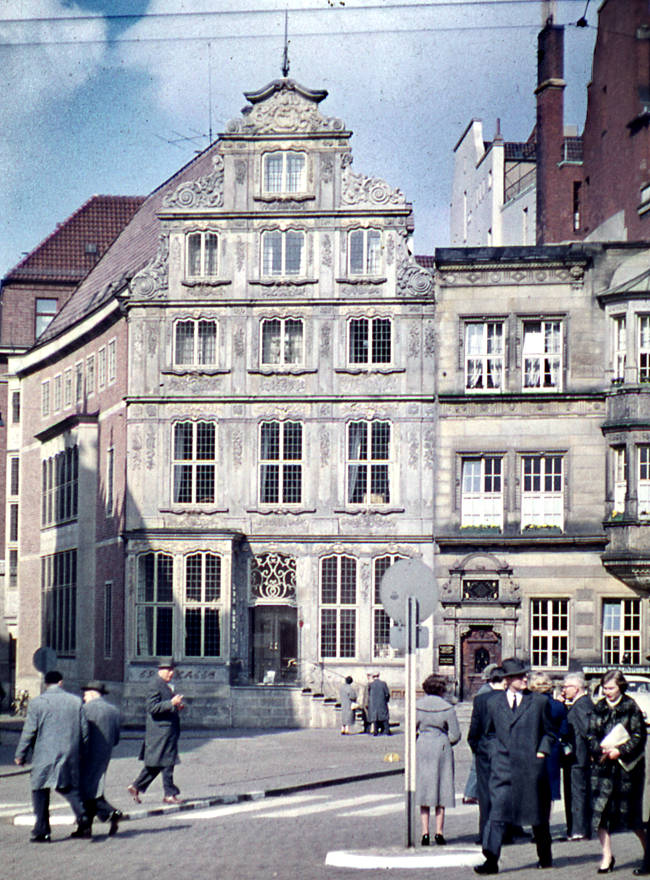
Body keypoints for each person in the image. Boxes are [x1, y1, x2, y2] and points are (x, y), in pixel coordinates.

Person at [474, 657, 554, 875]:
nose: (524, 678)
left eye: (525, 675)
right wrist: (493, 751)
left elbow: (549, 732)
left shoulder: (538, 702)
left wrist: (541, 752)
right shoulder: (492, 703)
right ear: (507, 680)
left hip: (531, 766)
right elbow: (487, 733)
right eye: (519, 676)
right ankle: (491, 860)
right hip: (502, 767)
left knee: (536, 814)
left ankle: (545, 856)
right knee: (497, 813)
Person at [14, 669, 90, 842]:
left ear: (46, 684)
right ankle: (83, 815)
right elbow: (85, 731)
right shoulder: (75, 701)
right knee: (67, 787)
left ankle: (42, 831)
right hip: (70, 753)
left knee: (39, 789)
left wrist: (21, 754)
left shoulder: (37, 703)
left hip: (44, 754)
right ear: (61, 682)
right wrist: (82, 752)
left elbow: (29, 731)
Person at [587, 669, 646, 874]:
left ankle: (648, 852)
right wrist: (598, 749)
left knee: (632, 816)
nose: (607, 692)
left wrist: (620, 751)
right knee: (600, 814)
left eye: (611, 688)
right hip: (603, 768)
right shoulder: (599, 707)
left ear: (620, 686)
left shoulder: (631, 707)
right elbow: (591, 733)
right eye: (605, 688)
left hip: (626, 770)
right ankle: (607, 856)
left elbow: (639, 736)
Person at [127, 659, 185, 804]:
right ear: (161, 670)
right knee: (167, 762)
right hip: (160, 732)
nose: (171, 673)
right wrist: (171, 703)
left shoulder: (165, 685)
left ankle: (136, 786)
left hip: (166, 731)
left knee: (158, 763)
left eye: (173, 670)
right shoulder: (155, 685)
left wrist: (176, 706)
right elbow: (152, 708)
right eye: (168, 670)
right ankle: (169, 794)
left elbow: (163, 706)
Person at [416, 673, 460, 846]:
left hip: (423, 747)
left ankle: (424, 833)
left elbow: (411, 729)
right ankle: (439, 833)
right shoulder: (447, 707)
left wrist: (421, 739)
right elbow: (455, 734)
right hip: (441, 747)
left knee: (424, 789)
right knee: (441, 788)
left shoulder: (417, 706)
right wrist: (444, 741)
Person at [467, 665, 505, 843]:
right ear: (505, 681)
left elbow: (473, 730)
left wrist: (478, 748)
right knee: (504, 793)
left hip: (484, 751)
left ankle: (484, 834)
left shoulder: (480, 700)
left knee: (484, 794)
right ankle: (504, 833)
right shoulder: (509, 699)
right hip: (505, 752)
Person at [80, 680, 122, 836]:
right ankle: (88, 826)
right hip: (105, 755)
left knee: (85, 791)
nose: (84, 698)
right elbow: (117, 738)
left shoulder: (85, 709)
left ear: (91, 693)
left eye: (85, 694)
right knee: (95, 789)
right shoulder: (113, 710)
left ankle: (108, 813)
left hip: (86, 755)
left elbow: (81, 733)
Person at [528, 671, 568, 816]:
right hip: (552, 749)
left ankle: (535, 822)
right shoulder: (558, 706)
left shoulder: (528, 703)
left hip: (532, 747)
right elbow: (564, 730)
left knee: (532, 788)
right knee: (548, 789)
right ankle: (545, 821)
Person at [561, 671, 593, 841]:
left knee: (577, 793)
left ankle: (579, 830)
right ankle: (574, 828)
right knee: (575, 792)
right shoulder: (578, 704)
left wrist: (590, 753)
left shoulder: (582, 706)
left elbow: (588, 731)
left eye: (566, 687)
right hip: (575, 757)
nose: (563, 690)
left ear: (577, 688)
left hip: (579, 758)